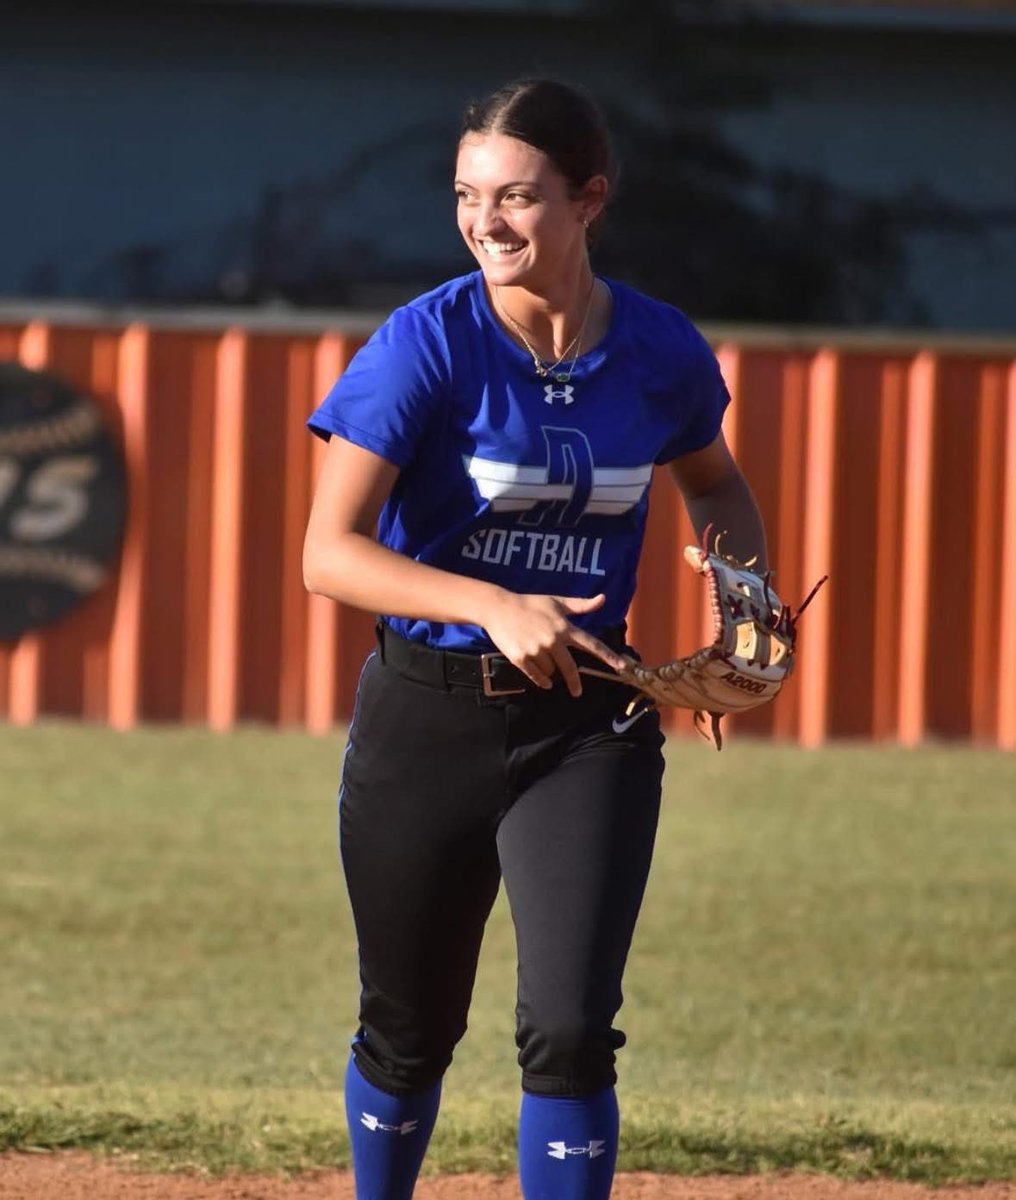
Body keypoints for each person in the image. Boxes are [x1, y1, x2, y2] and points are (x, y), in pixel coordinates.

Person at [303, 77, 767, 1200]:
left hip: (587, 725)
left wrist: (745, 622)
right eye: (467, 197)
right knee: (407, 1033)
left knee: (567, 1030)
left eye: (515, 197)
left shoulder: (656, 349)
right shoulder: (427, 344)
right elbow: (328, 553)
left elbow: (716, 486)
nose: (485, 222)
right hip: (425, 715)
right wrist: (489, 602)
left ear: (588, 200)